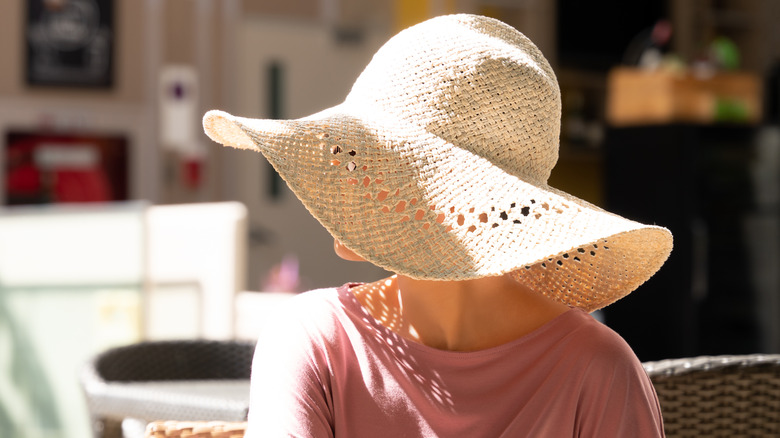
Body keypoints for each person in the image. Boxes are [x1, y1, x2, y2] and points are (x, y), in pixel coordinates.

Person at [203, 14, 673, 437]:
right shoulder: (598, 367)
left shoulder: (319, 340)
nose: (340, 179)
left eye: (359, 161)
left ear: (439, 201)